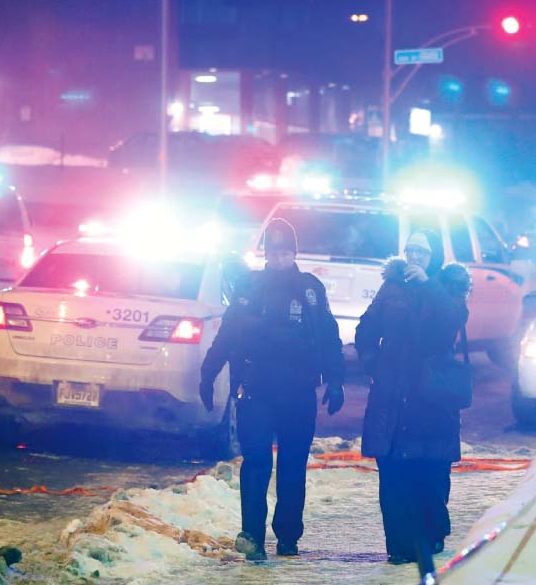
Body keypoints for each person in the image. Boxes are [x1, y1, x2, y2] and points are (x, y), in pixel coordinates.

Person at [199, 218, 345, 561]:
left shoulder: (310, 290)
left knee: (293, 465)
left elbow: (328, 336)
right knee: (257, 462)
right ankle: (252, 533)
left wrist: (337, 378)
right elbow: (228, 333)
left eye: (284, 251)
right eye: (273, 252)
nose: (278, 258)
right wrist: (209, 372)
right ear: (265, 254)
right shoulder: (249, 287)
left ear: (293, 252)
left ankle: (288, 536)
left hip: (297, 393)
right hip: (255, 391)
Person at [355, 229, 471, 566]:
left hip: (432, 397)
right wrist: (373, 363)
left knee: (431, 470)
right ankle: (399, 544)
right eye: (410, 250)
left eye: (421, 251)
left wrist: (427, 285)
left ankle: (432, 534)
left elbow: (451, 323)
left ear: (434, 256)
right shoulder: (391, 287)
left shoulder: (448, 287)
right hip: (392, 394)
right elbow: (366, 329)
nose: (414, 256)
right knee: (392, 471)